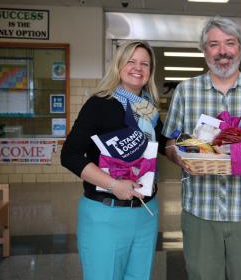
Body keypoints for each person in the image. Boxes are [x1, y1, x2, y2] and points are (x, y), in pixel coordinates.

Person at [162, 16, 241, 280]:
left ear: (240, 49)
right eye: (214, 44)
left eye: (229, 43)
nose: (222, 51)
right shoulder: (185, 91)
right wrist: (180, 159)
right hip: (199, 212)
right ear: (204, 50)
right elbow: (170, 142)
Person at [61, 41, 164, 280]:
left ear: (150, 71)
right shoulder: (99, 104)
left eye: (145, 63)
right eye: (131, 61)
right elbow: (70, 155)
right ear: (118, 65)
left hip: (146, 214)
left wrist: (197, 148)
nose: (138, 67)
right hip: (105, 214)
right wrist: (114, 185)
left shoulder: (149, 110)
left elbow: (164, 143)